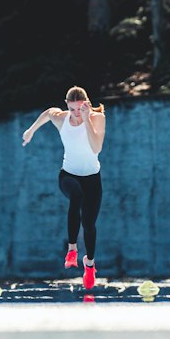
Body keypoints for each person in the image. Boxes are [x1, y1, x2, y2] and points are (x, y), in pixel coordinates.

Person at [22, 86, 106, 288]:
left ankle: (90, 264)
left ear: (86, 104)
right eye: (73, 109)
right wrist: (31, 130)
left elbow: (96, 148)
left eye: (80, 109)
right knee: (75, 195)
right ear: (67, 105)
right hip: (68, 175)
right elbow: (47, 113)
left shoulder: (96, 119)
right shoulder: (61, 118)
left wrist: (86, 120)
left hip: (92, 179)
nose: (76, 113)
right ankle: (72, 250)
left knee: (89, 225)